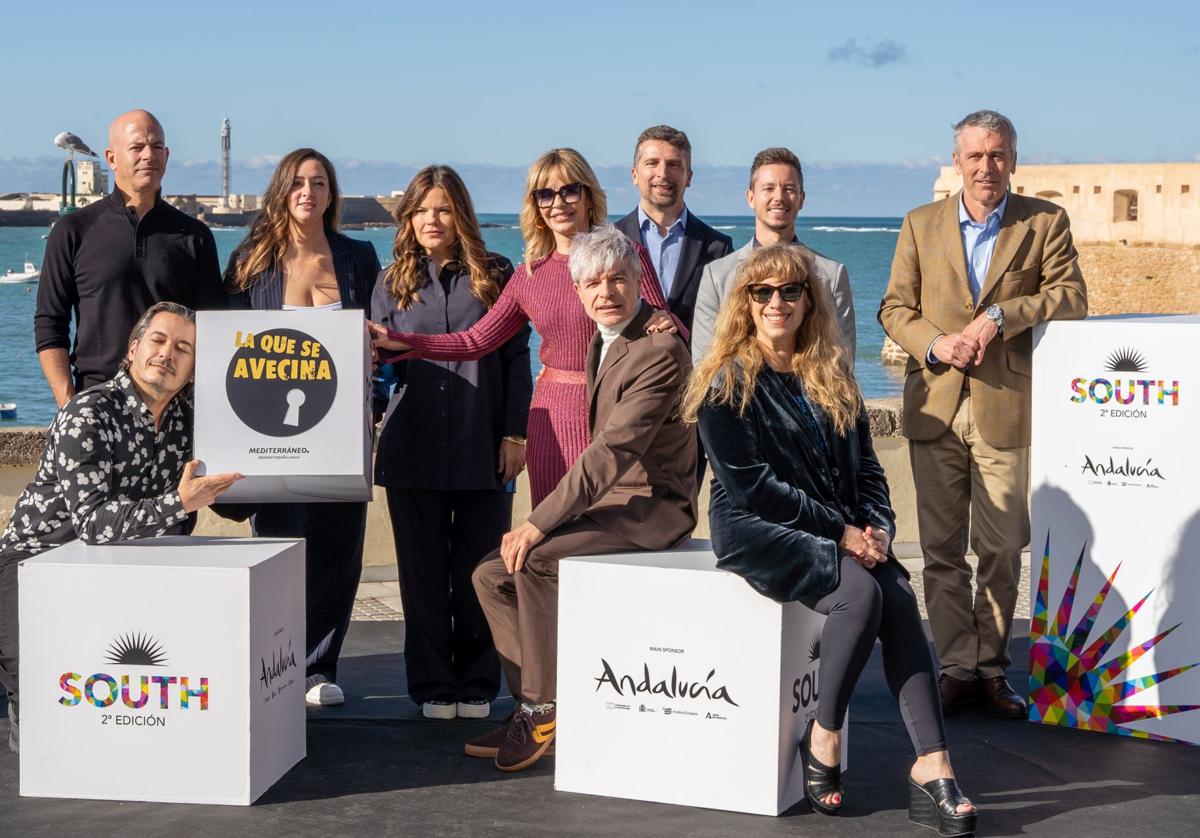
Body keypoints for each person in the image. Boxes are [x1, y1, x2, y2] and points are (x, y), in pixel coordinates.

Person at [684, 244, 975, 834]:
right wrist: (841, 533)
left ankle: (932, 764)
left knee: (897, 596)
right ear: (743, 302)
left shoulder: (831, 372)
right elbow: (751, 489)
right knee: (859, 596)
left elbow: (868, 470)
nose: (776, 303)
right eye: (761, 292)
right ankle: (825, 732)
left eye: (790, 291)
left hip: (837, 523)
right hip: (757, 528)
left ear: (808, 301)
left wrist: (879, 527)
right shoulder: (726, 380)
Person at [879, 110, 1087, 719]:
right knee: (941, 551)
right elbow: (894, 308)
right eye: (975, 156)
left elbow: (1072, 297)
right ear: (957, 162)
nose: (986, 166)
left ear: (1013, 160)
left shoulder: (1044, 221)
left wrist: (1001, 316)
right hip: (934, 406)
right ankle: (955, 668)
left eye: (997, 155)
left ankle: (993, 670)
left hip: (1004, 405)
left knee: (1001, 549)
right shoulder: (920, 224)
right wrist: (936, 343)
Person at [464, 227, 696, 773]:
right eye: (592, 283)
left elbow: (613, 450)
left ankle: (542, 708)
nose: (606, 292)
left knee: (536, 560)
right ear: (579, 291)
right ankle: (533, 706)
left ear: (639, 281)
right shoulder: (602, 339)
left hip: (651, 508)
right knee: (489, 575)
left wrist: (538, 522)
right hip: (610, 503)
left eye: (617, 279)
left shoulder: (659, 350)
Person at [369, 148, 680, 508]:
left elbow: (674, 335)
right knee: (553, 535)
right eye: (545, 194)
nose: (558, 203)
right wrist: (403, 341)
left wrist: (667, 324)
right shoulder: (530, 273)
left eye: (569, 191)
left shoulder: (626, 256)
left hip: (619, 412)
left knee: (614, 535)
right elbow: (475, 342)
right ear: (535, 204)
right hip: (553, 419)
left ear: (589, 195)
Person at [0, 302, 241, 753]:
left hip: (122, 567)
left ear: (192, 369)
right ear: (132, 350)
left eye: (183, 348)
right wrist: (178, 501)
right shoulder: (89, 413)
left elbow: (216, 504)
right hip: (37, 563)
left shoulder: (188, 425)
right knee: (46, 710)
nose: (168, 353)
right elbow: (91, 523)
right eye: (159, 340)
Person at [371, 165, 533, 721]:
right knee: (420, 577)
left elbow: (515, 360)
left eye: (442, 209)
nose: (432, 220)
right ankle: (433, 684)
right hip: (410, 446)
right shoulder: (390, 281)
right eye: (421, 210)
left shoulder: (496, 272)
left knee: (482, 572)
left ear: (459, 212)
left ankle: (480, 681)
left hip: (482, 444)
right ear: (408, 218)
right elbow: (374, 369)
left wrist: (516, 433)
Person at [224, 148, 382, 708]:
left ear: (331, 193)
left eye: (318, 182)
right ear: (280, 192)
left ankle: (320, 668)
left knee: (340, 550)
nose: (307, 192)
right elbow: (230, 353)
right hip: (273, 434)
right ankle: (277, 663)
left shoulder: (359, 257)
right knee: (280, 545)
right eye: (296, 183)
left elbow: (379, 339)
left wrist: (376, 395)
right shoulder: (250, 260)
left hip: (341, 430)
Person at [35, 109, 226, 407]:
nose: (149, 155)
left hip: (173, 407)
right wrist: (68, 404)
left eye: (157, 147)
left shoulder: (194, 235)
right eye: (137, 147)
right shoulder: (73, 230)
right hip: (94, 401)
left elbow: (214, 329)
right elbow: (50, 323)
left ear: (167, 155)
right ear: (111, 158)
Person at [691, 147, 855, 365]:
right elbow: (706, 361)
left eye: (789, 189)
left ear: (801, 199)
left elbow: (841, 361)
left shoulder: (831, 275)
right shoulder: (717, 275)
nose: (779, 197)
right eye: (768, 188)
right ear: (750, 197)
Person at [614, 125, 733, 334]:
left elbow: (729, 325)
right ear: (634, 174)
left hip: (693, 365)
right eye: (652, 163)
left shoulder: (717, 248)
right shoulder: (609, 240)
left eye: (674, 165)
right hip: (626, 364)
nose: (663, 173)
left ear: (689, 177)